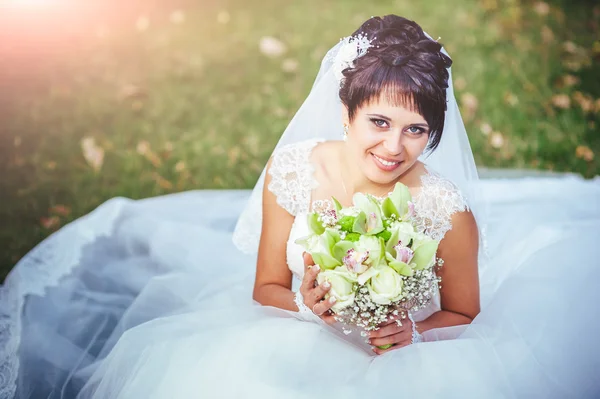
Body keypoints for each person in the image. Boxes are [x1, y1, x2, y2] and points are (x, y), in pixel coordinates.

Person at [1, 14, 599, 399]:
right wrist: (311, 309)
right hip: (299, 339)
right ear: (346, 113)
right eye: (379, 122)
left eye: (416, 130)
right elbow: (266, 285)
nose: (394, 148)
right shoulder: (293, 171)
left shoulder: (445, 210)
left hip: (409, 367)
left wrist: (412, 330)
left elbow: (466, 313)